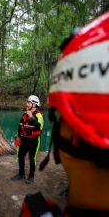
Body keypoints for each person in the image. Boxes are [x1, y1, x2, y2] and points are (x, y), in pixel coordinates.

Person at [19, 12, 109, 216]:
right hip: (24, 142)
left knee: (31, 160)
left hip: (34, 143)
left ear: (68, 134)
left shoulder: (34, 211)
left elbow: (38, 128)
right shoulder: (25, 114)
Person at [11, 95, 44, 184]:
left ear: (34, 104)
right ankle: (21, 174)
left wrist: (32, 117)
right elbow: (20, 127)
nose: (27, 104)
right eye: (27, 102)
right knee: (20, 156)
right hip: (24, 140)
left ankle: (31, 176)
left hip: (33, 141)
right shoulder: (24, 115)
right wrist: (18, 137)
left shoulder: (38, 116)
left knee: (32, 158)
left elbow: (39, 128)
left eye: (29, 102)